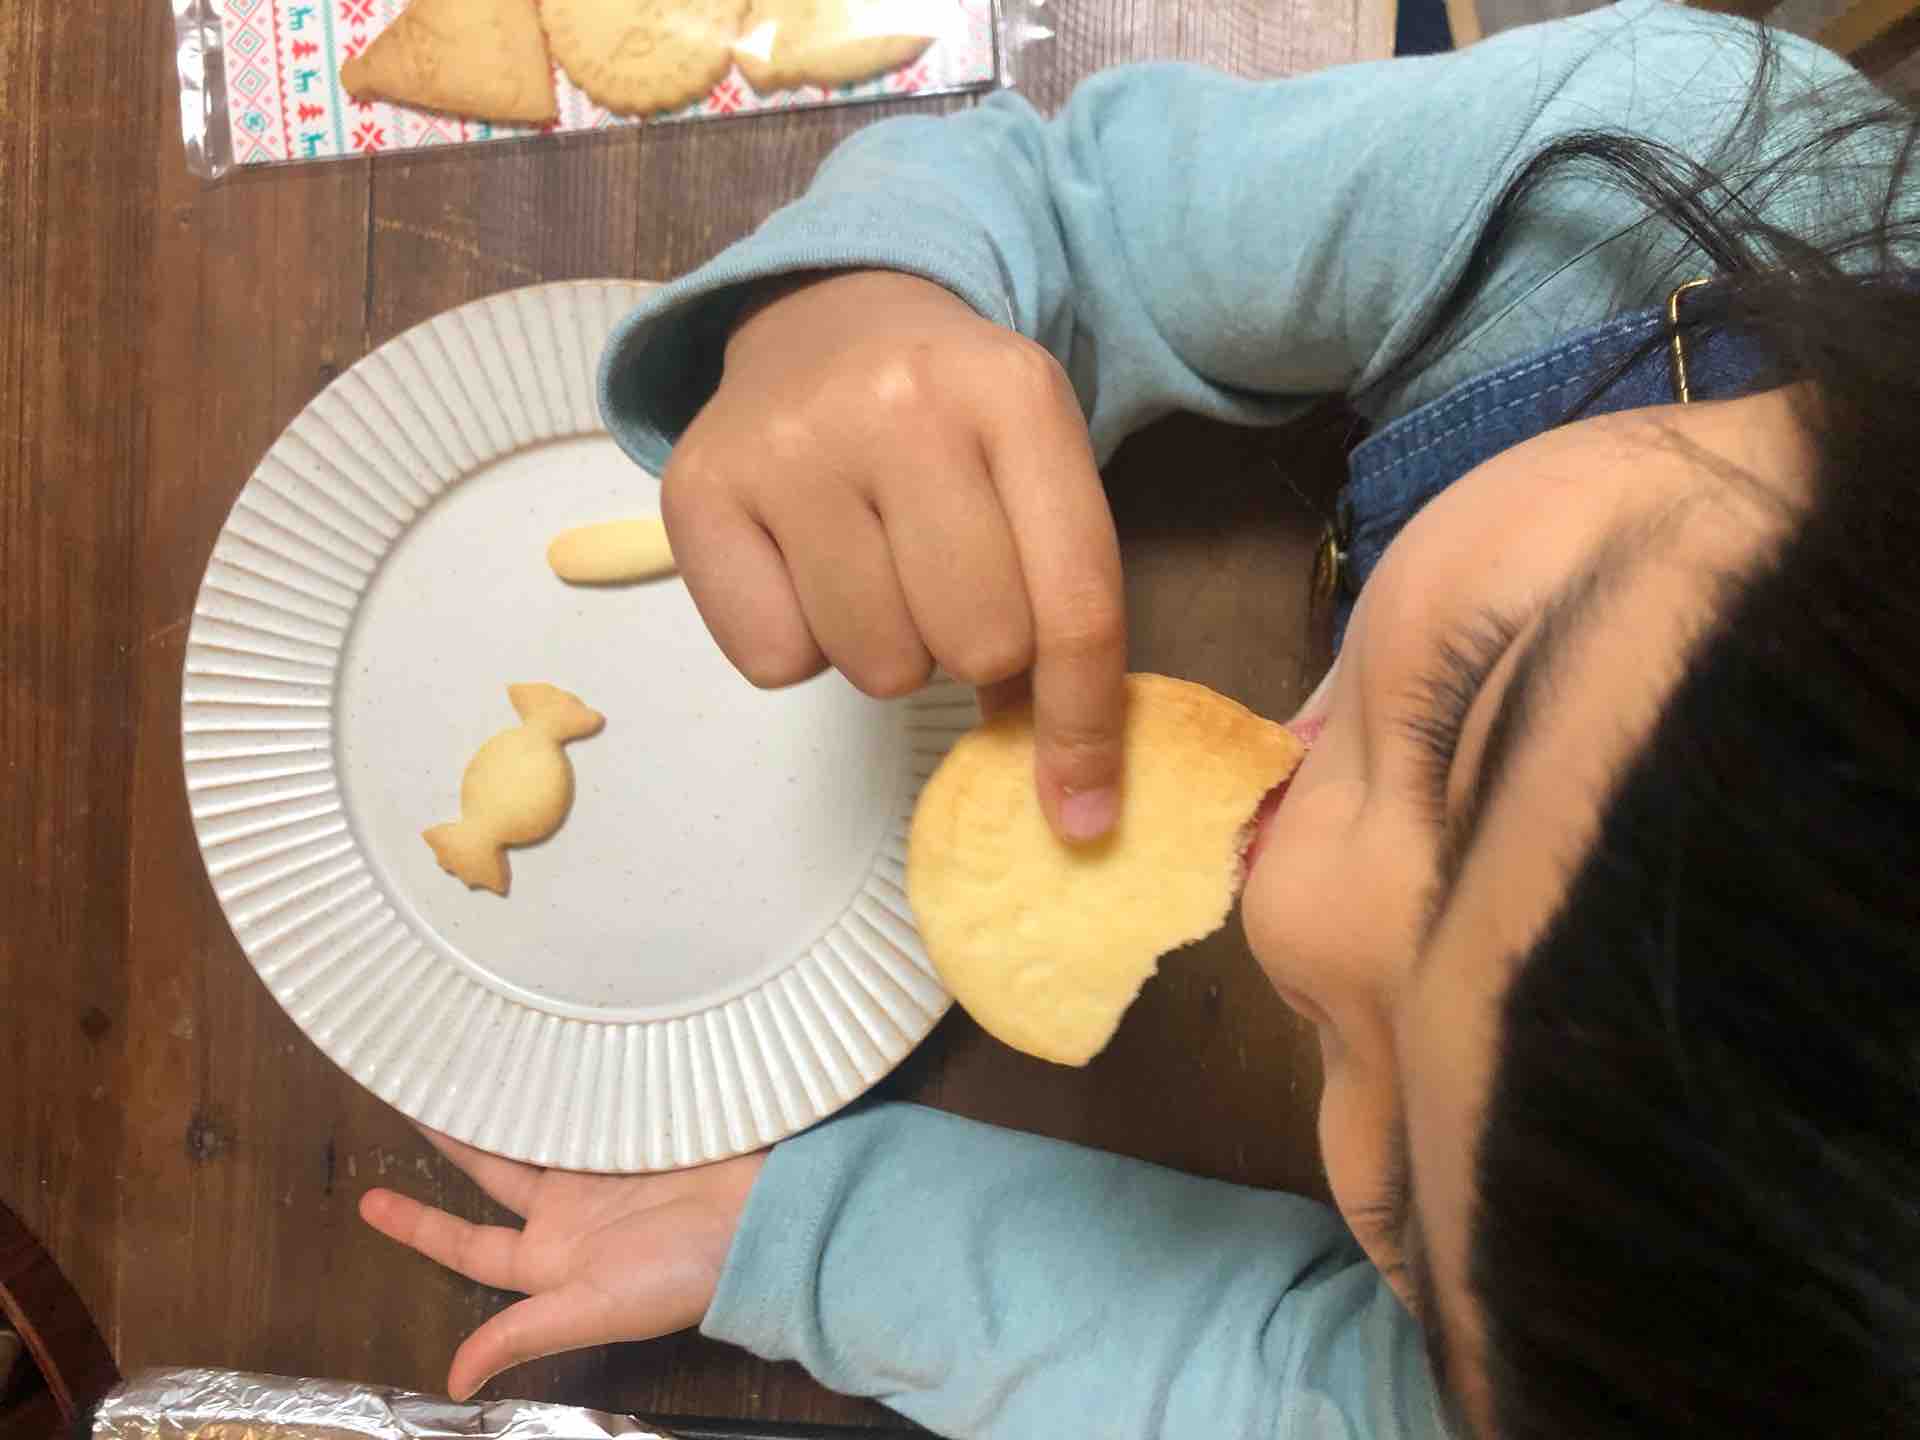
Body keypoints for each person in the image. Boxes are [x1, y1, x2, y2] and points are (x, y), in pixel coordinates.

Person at [359, 2, 1920, 1433]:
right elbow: (1080, 211)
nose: (1282, 911)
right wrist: (867, 307)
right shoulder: (1646, 179)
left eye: (1402, 1190)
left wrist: (807, 1245)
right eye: (1471, 712)